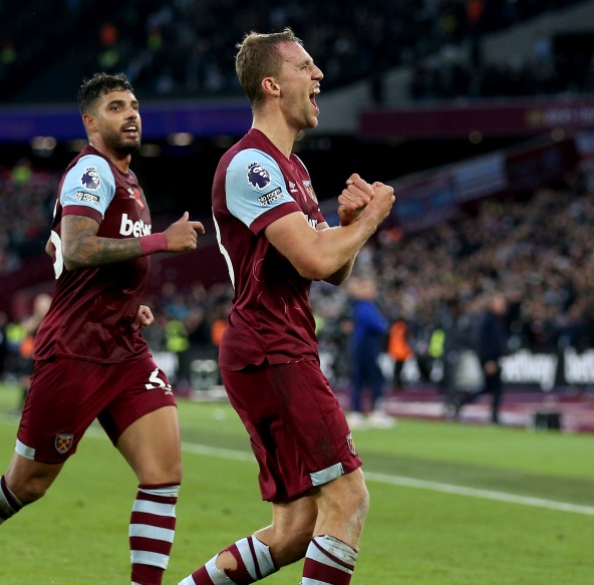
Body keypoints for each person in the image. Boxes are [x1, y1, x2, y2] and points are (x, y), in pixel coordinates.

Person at [0, 73, 205, 585]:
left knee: (163, 474)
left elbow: (68, 249)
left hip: (124, 348)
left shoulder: (126, 178)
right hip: (76, 351)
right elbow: (80, 248)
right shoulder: (91, 169)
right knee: (27, 484)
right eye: (115, 107)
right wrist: (159, 242)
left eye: (133, 105)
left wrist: (129, 305)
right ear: (90, 122)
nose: (131, 114)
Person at [178, 28, 394, 585]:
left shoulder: (291, 169)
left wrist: (348, 227)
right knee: (347, 497)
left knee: (297, 527)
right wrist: (371, 219)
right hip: (273, 348)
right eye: (306, 67)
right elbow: (318, 262)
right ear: (273, 84)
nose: (319, 76)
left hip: (273, 347)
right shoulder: (253, 165)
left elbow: (331, 267)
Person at [346, 276, 394, 430]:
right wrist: (384, 323)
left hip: (361, 345)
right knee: (376, 379)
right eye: (369, 287)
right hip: (366, 346)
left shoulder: (359, 306)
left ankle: (357, 412)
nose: (373, 291)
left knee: (359, 379)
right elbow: (379, 326)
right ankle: (374, 412)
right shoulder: (366, 306)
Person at [453, 293, 508, 424]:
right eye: (500, 303)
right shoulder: (488, 320)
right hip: (490, 359)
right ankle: (493, 415)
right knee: (495, 388)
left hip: (492, 358)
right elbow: (484, 341)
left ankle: (462, 402)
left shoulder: (494, 319)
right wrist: (489, 360)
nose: (503, 306)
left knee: (488, 387)